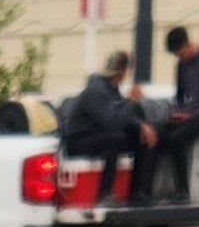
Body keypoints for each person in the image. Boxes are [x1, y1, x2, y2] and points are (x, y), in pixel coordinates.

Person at [57, 51, 152, 199]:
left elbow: (123, 115)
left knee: (139, 139)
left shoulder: (112, 90)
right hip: (79, 140)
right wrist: (132, 101)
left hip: (97, 136)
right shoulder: (96, 90)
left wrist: (140, 126)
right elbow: (111, 122)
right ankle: (104, 193)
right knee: (114, 139)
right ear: (124, 71)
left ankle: (137, 192)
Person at [156, 25, 199, 207]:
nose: (180, 58)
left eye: (180, 53)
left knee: (178, 139)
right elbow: (179, 95)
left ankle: (183, 190)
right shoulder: (180, 65)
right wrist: (176, 112)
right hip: (186, 115)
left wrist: (191, 114)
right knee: (161, 134)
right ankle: (157, 188)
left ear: (188, 45)